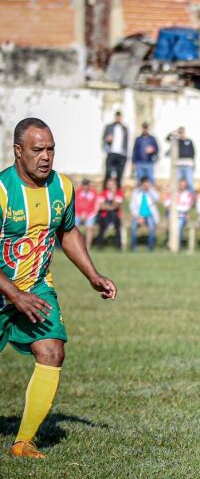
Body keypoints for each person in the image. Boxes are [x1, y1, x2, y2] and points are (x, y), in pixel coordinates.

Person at [4, 117, 117, 458]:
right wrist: (13, 294)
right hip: (5, 288)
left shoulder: (62, 187)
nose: (46, 156)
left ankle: (23, 442)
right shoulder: (2, 191)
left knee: (52, 351)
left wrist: (92, 275)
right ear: (18, 151)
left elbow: (67, 233)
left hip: (36, 287)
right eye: (38, 150)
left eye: (51, 149)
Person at [128, 177, 160, 252]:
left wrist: (150, 190)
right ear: (141, 184)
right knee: (133, 227)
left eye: (147, 184)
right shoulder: (136, 193)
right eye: (144, 184)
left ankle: (150, 247)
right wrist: (138, 217)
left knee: (152, 227)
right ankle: (134, 247)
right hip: (138, 216)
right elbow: (132, 206)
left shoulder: (151, 192)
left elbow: (157, 198)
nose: (145, 186)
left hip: (150, 216)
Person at [102, 111, 129, 188]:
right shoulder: (109, 127)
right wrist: (107, 141)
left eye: (120, 117)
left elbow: (126, 142)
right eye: (117, 117)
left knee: (119, 174)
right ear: (115, 117)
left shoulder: (124, 128)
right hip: (111, 152)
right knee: (108, 173)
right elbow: (104, 138)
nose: (118, 118)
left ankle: (118, 193)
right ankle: (105, 191)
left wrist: (126, 154)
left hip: (121, 154)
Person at [95, 177, 124, 249]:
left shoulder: (119, 193)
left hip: (115, 216)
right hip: (105, 215)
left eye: (112, 184)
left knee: (117, 227)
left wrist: (113, 195)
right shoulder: (103, 193)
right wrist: (111, 207)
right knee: (102, 227)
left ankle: (118, 246)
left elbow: (116, 205)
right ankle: (99, 245)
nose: (110, 186)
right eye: (109, 184)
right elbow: (101, 206)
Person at [165, 178, 194, 247]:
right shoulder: (172, 193)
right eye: (180, 185)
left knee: (179, 226)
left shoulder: (188, 194)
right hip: (171, 215)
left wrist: (175, 208)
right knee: (172, 226)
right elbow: (166, 204)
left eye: (183, 185)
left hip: (182, 216)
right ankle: (172, 244)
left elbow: (187, 207)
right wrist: (178, 208)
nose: (182, 187)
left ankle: (178, 245)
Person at [167, 127, 196, 191]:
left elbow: (193, 153)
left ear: (184, 132)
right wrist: (174, 132)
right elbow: (167, 138)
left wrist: (193, 164)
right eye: (179, 132)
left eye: (182, 132)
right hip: (179, 166)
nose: (181, 134)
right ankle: (177, 198)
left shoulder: (189, 141)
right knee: (176, 183)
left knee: (190, 183)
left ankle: (191, 198)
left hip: (188, 166)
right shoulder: (176, 141)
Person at [75, 178, 99, 250]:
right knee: (74, 229)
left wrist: (88, 215)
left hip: (90, 215)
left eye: (87, 185)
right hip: (78, 214)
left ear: (89, 186)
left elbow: (96, 207)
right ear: (82, 185)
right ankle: (76, 246)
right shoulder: (77, 192)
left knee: (89, 228)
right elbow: (74, 205)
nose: (85, 187)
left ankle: (87, 247)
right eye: (84, 185)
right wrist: (79, 214)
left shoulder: (94, 193)